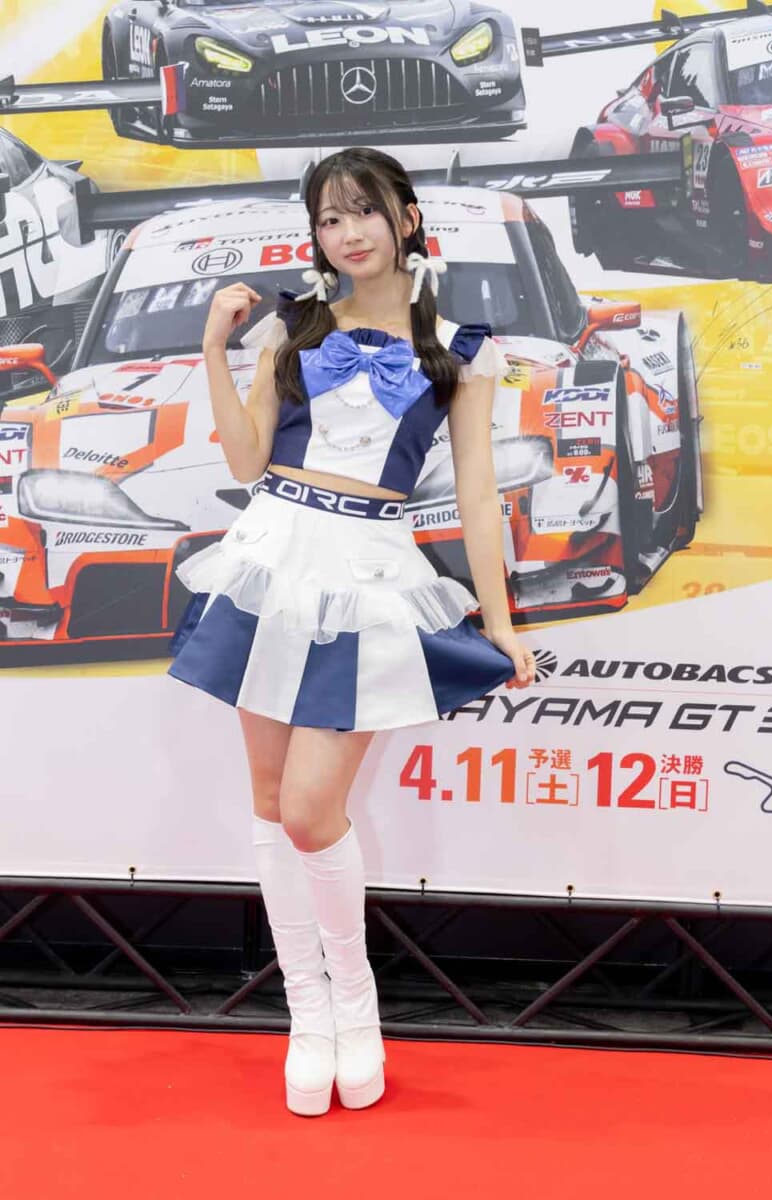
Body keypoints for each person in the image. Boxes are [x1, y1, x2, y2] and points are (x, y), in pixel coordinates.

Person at [168, 147, 537, 1117]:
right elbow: (247, 461)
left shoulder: (461, 351)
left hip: (368, 571)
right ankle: (309, 1015)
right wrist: (213, 348)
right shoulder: (291, 328)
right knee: (268, 801)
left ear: (406, 218)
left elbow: (476, 498)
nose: (348, 233)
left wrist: (500, 624)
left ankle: (357, 1007)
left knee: (308, 809)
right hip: (273, 553)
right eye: (329, 219)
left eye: (364, 211)